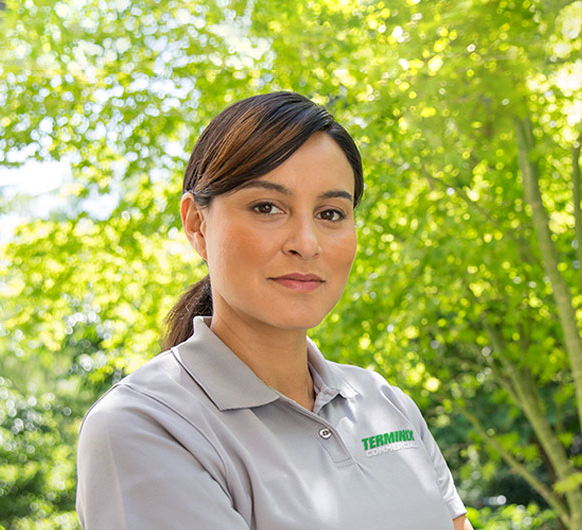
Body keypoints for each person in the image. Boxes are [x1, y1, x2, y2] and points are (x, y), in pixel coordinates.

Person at [75, 91, 472, 530]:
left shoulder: (384, 403)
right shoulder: (147, 426)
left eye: (331, 213)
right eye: (267, 207)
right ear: (197, 225)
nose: (306, 243)